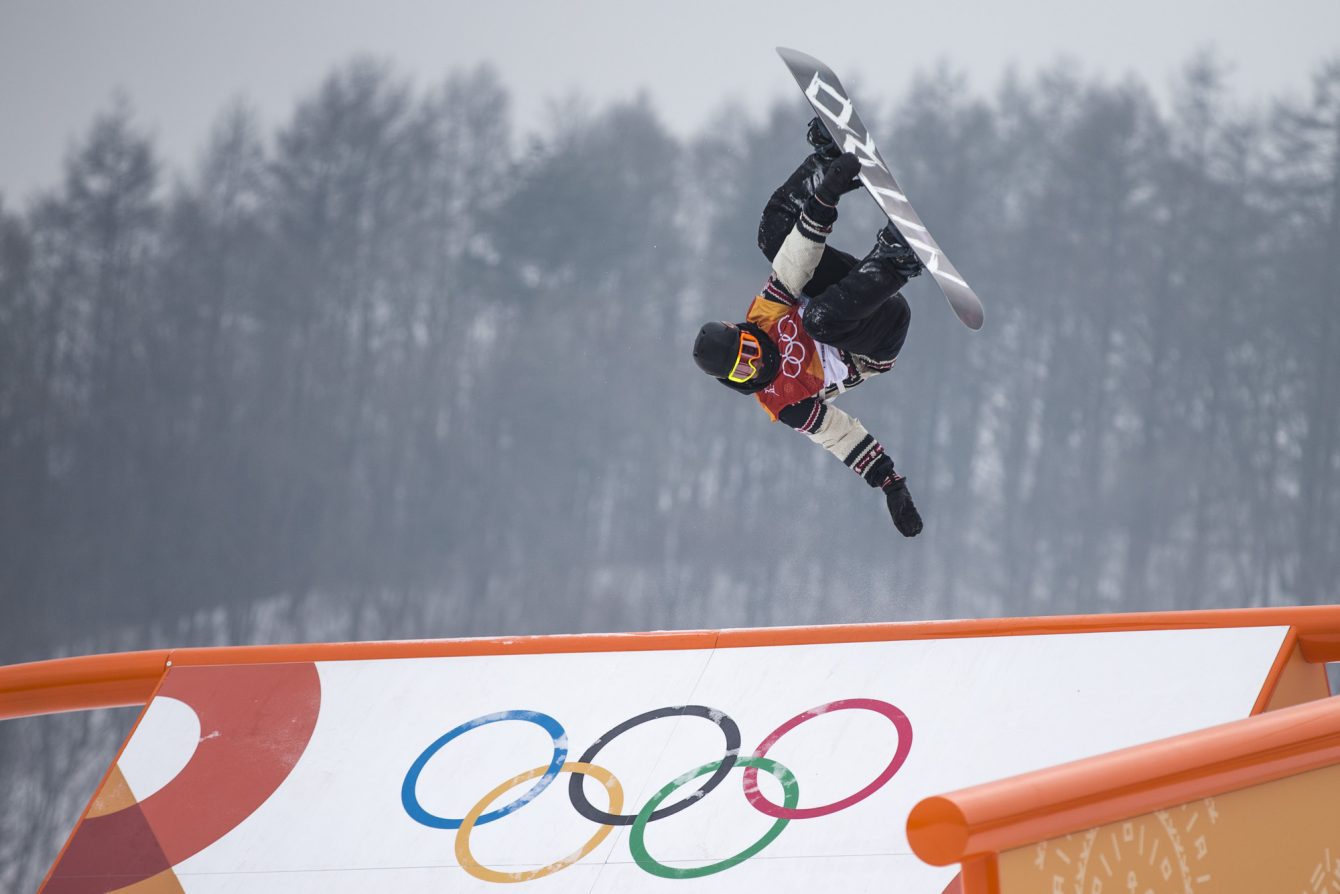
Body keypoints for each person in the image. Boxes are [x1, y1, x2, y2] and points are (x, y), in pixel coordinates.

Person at [692, 119, 924, 537]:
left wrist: (827, 192)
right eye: (744, 371)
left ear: (741, 330)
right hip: (875, 340)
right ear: (735, 382)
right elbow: (839, 436)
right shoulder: (785, 402)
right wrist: (890, 483)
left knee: (773, 237)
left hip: (848, 293)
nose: (756, 364)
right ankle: (897, 261)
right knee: (818, 321)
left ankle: (826, 160)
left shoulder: (767, 314)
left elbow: (798, 256)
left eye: (748, 351)